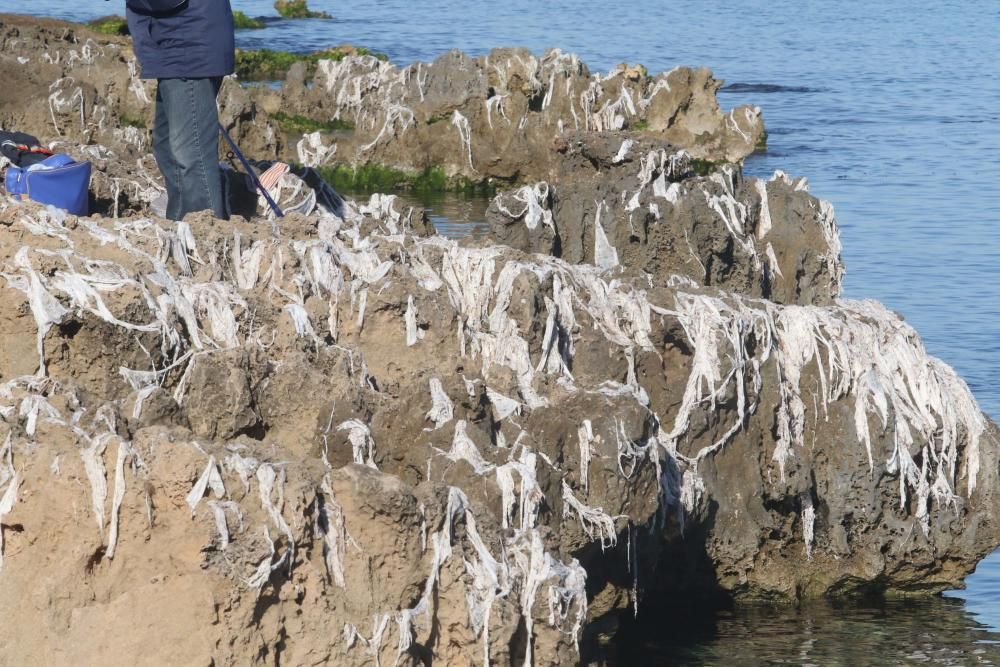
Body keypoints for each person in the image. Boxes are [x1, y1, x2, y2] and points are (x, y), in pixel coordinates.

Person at [125, 0, 235, 221]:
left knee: (189, 150)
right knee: (166, 146)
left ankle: (205, 230)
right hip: (175, 44)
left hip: (188, 48)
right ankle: (180, 222)